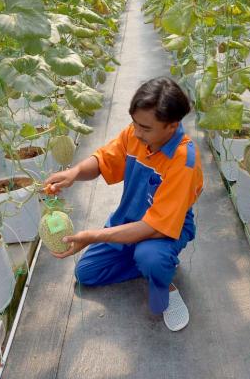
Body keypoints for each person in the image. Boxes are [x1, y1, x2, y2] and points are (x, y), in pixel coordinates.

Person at [44, 77, 204, 331]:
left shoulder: (184, 162)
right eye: (134, 123)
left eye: (145, 128)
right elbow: (104, 160)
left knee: (151, 255)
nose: (136, 132)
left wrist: (93, 236)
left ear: (172, 126)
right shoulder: (135, 135)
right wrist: (73, 174)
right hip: (128, 221)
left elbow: (155, 226)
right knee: (86, 274)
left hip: (165, 230)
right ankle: (148, 263)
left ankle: (165, 282)